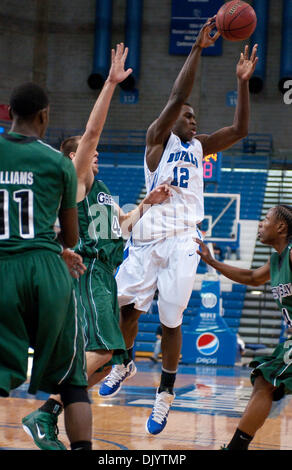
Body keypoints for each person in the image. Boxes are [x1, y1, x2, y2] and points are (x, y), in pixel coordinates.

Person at [98, 17, 259, 436]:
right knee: (121, 307)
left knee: (171, 319)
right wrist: (197, 49)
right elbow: (177, 94)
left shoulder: (201, 146)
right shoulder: (157, 140)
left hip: (184, 237)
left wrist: (242, 81)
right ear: (171, 121)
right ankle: (125, 360)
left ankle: (165, 393)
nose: (192, 119)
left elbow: (241, 129)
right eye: (186, 116)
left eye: (193, 117)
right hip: (149, 235)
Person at [22, 44, 171, 450]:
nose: (96, 153)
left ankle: (50, 415)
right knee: (107, 352)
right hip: (88, 273)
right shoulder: (77, 178)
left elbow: (121, 228)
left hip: (106, 271)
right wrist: (109, 84)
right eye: (88, 153)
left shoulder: (102, 189)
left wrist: (146, 203)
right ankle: (43, 415)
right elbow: (92, 133)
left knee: (108, 357)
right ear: (73, 157)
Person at [0, 82, 92, 450]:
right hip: (47, 275)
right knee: (72, 381)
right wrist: (57, 249)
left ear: (8, 113)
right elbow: (70, 237)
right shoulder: (57, 163)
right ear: (44, 116)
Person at [195, 205, 292, 450]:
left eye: (265, 219)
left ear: (281, 227)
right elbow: (250, 278)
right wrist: (211, 261)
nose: (260, 224)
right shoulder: (276, 260)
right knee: (264, 382)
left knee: (265, 382)